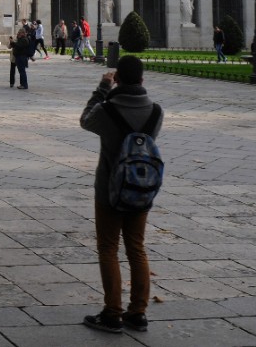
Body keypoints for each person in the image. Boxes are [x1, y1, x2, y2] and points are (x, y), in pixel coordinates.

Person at [80, 55, 163, 334]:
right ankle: (138, 312)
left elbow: (85, 120)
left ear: (118, 79)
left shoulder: (107, 109)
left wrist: (103, 89)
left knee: (108, 248)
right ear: (142, 79)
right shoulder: (156, 112)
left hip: (109, 190)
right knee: (136, 248)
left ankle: (112, 313)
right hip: (141, 189)